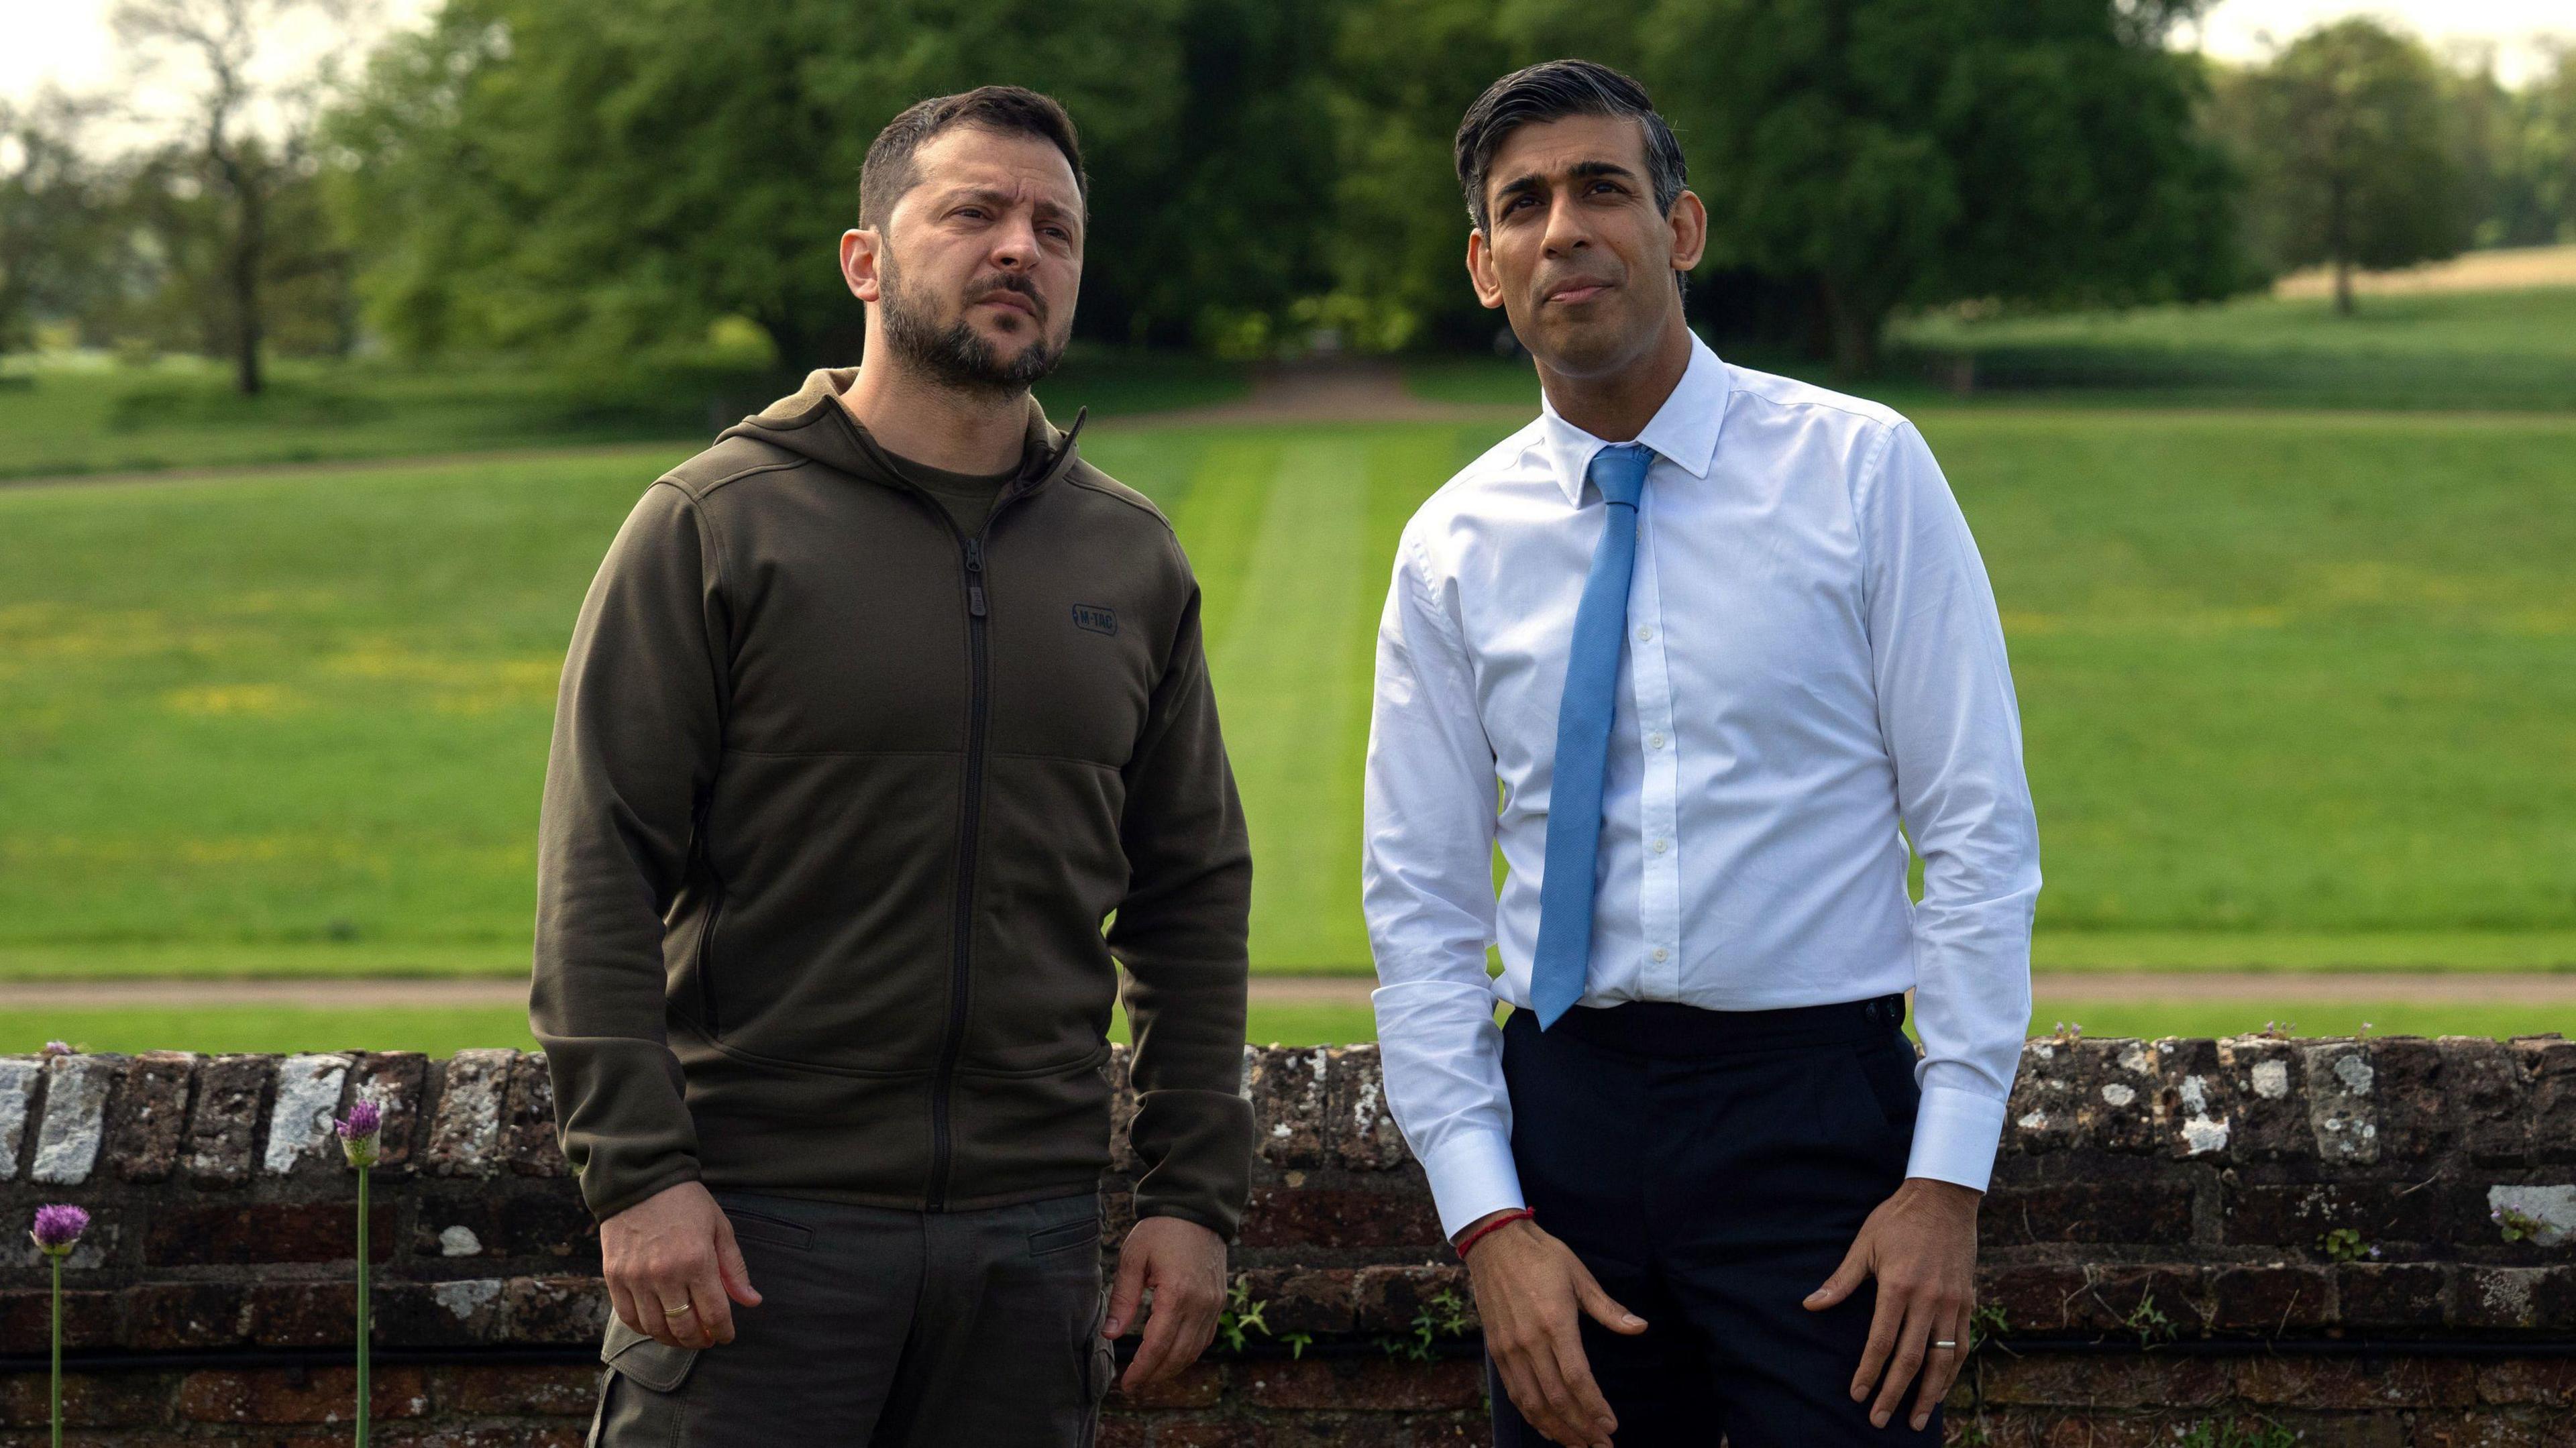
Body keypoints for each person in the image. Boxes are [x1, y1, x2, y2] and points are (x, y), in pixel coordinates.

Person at [530, 85, 1254, 1447]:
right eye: (974, 211)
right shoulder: (712, 527)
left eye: (1055, 227)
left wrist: (1186, 1195)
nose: (1019, 250)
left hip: (1031, 1252)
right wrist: (637, 1178)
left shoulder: (1131, 556)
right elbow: (597, 877)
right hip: (754, 1242)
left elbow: (1193, 895)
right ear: (865, 258)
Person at [1360, 59, 2041, 1448]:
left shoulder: (1862, 470)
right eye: (1525, 204)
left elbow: (1975, 832)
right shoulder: (1452, 546)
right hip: (1566, 1126)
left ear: (1681, 231)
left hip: (1818, 1124)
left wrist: (1948, 1181)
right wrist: (1487, 1222)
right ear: (1485, 267)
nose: (1566, 229)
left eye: (1603, 188)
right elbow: (1421, 915)